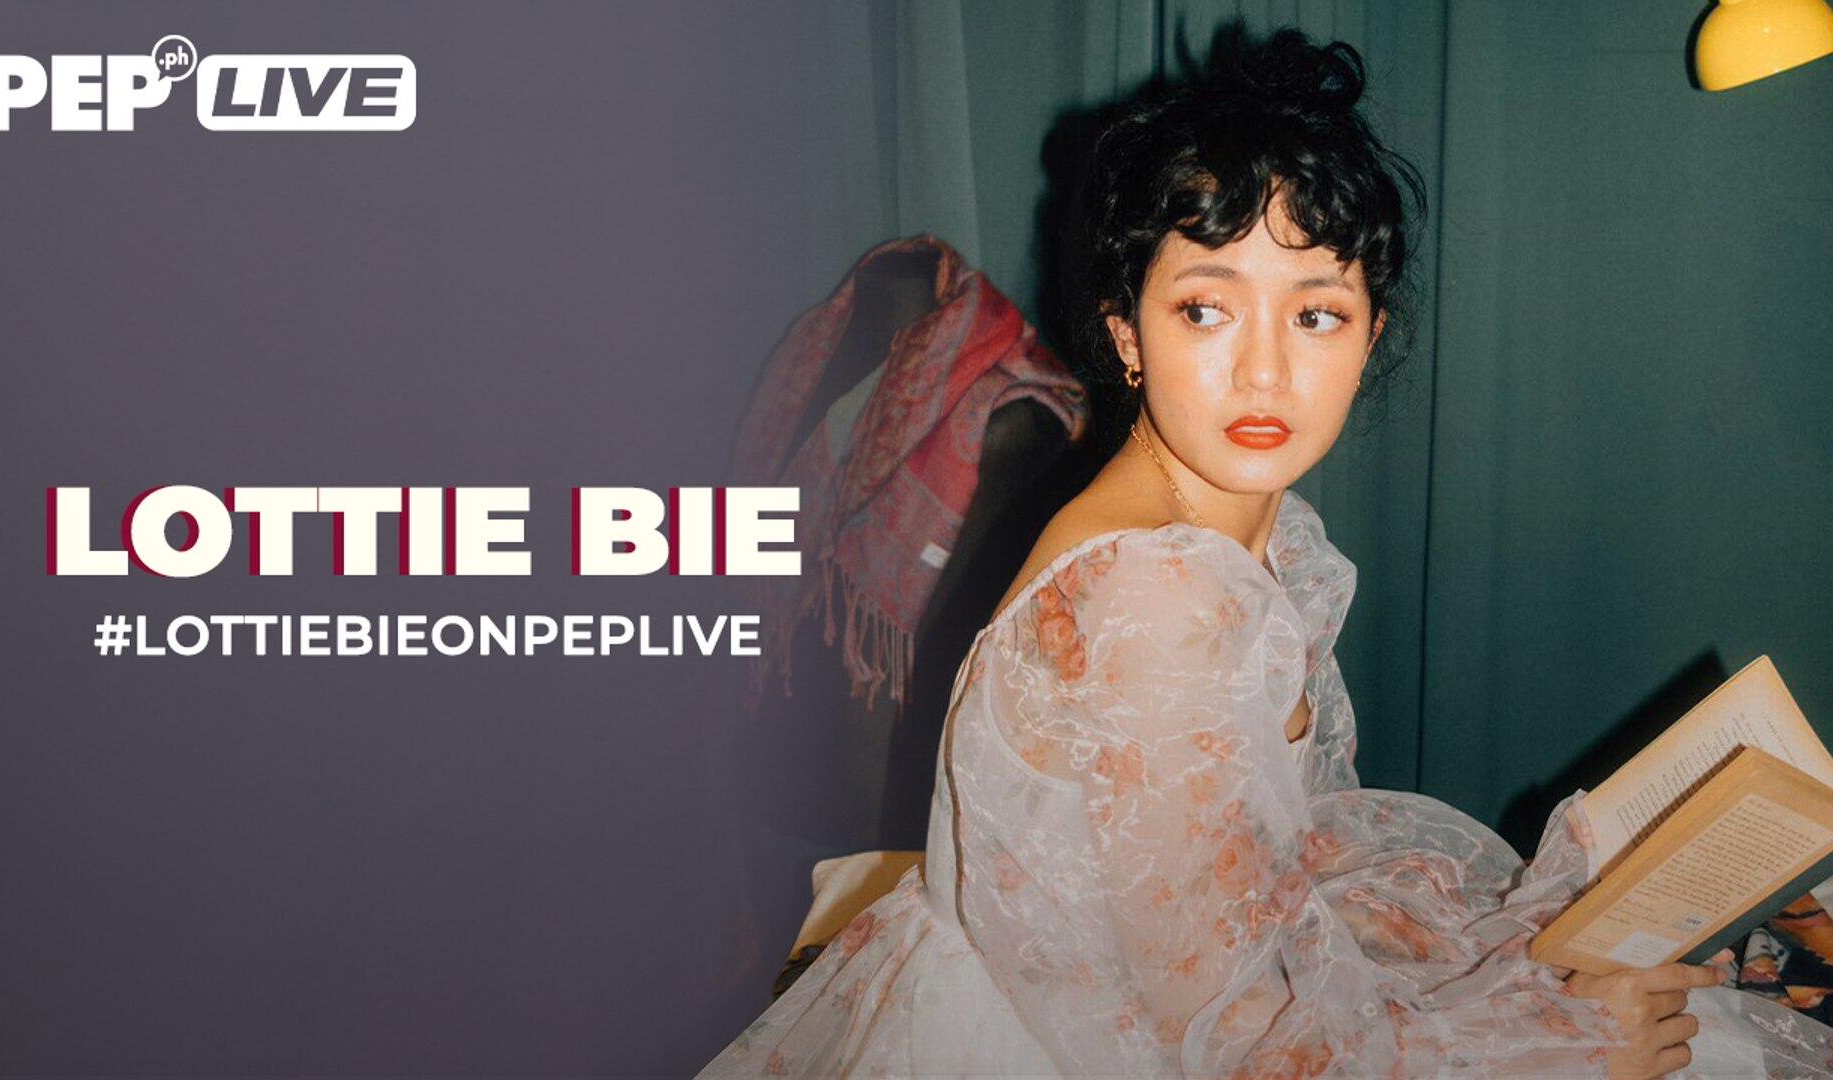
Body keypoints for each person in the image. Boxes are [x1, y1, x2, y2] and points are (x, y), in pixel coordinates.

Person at [699, 26, 1833, 1079]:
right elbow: (1235, 1047)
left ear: (1369, 334)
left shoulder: (1253, 528)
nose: (1264, 373)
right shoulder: (1154, 597)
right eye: (1206, 308)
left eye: (1315, 313)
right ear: (1125, 333)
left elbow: (1267, 868)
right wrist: (1561, 1050)